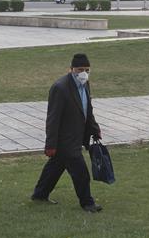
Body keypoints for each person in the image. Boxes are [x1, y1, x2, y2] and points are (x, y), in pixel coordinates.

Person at [31, 53, 103, 212]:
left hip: (77, 137)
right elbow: (53, 119)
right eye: (79, 69)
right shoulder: (60, 88)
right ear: (71, 69)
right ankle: (88, 203)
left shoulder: (85, 84)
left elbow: (87, 110)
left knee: (55, 167)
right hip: (65, 141)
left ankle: (40, 194)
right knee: (81, 174)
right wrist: (50, 145)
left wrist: (94, 129)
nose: (83, 73)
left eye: (87, 69)